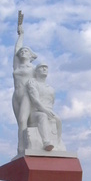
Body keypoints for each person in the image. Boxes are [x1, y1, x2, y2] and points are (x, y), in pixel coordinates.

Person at [12, 12, 38, 153]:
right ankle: (22, 147)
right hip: (16, 95)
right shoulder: (17, 66)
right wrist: (21, 35)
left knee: (23, 120)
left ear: (30, 55)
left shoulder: (33, 69)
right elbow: (16, 49)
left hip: (27, 96)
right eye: (21, 51)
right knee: (20, 124)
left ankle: (22, 147)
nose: (22, 52)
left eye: (26, 51)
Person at [27, 63, 64, 151]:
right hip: (35, 113)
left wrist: (49, 112)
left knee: (58, 120)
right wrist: (44, 110)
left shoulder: (51, 89)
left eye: (46, 67)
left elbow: (52, 102)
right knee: (42, 116)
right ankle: (46, 142)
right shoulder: (33, 84)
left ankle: (58, 143)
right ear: (36, 71)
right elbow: (35, 100)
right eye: (41, 67)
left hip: (49, 111)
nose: (44, 69)